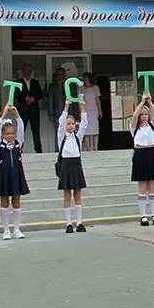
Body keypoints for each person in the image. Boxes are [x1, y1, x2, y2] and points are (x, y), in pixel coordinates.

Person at [0, 104, 29, 240]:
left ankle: (17, 229)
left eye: (12, 133)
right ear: (3, 134)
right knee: (4, 201)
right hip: (4, 175)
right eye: (7, 134)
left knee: (16, 200)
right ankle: (6, 230)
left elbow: (21, 126)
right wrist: (3, 114)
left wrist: (16, 113)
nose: (10, 136)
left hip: (16, 174)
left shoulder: (18, 142)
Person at [131, 92, 154, 226]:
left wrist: (149, 102)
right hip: (140, 154)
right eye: (142, 115)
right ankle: (143, 215)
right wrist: (142, 102)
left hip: (151, 153)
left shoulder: (152, 126)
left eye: (145, 114)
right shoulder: (134, 128)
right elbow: (133, 116)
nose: (143, 117)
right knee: (142, 186)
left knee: (152, 186)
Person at [56, 100, 88, 233]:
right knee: (67, 195)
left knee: (78, 195)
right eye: (68, 124)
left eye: (72, 124)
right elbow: (60, 122)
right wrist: (66, 107)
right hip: (66, 166)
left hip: (76, 165)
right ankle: (69, 223)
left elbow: (84, 125)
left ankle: (79, 222)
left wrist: (83, 109)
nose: (70, 126)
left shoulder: (77, 137)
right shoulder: (61, 136)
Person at [16, 64, 44, 154]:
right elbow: (15, 95)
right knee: (21, 131)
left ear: (31, 72)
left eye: (29, 70)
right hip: (22, 109)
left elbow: (40, 94)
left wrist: (34, 99)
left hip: (34, 110)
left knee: (36, 130)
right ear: (22, 71)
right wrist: (25, 99)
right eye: (26, 70)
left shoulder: (35, 82)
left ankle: (38, 150)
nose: (27, 72)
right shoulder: (18, 82)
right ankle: (19, 149)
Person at [80, 72, 101, 151]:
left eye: (86, 77)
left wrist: (100, 110)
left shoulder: (95, 88)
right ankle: (88, 148)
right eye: (84, 78)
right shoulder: (81, 88)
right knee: (86, 129)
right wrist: (80, 111)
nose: (85, 79)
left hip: (94, 110)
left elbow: (97, 99)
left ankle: (96, 147)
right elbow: (79, 100)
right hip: (85, 110)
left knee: (95, 128)